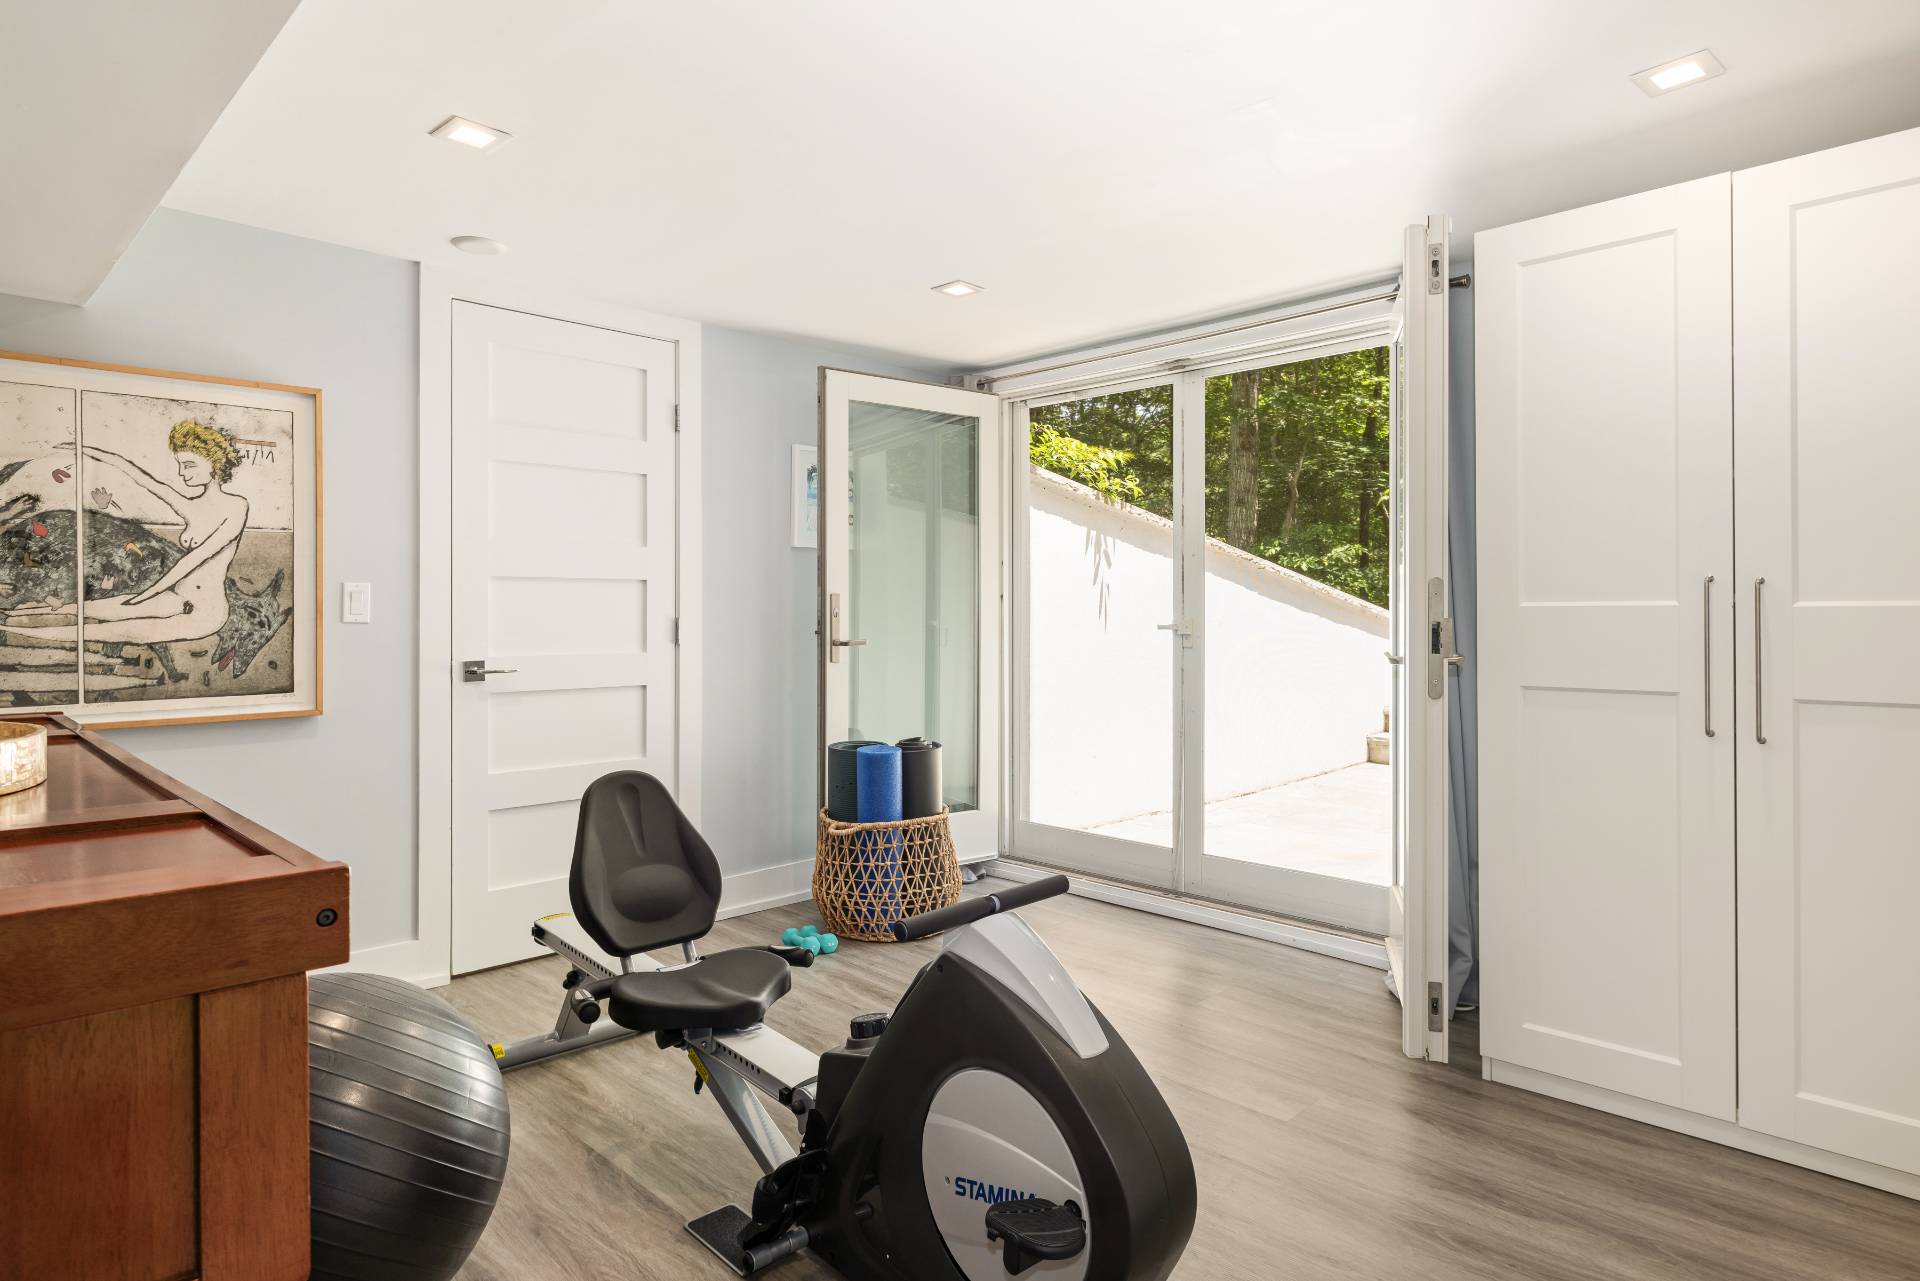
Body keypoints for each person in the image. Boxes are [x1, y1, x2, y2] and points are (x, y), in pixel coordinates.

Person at [3, 419, 247, 644]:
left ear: (214, 461)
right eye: (181, 465)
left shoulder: (237, 506)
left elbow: (195, 559)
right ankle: (11, 615)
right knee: (83, 608)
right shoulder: (191, 506)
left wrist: (145, 596)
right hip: (176, 598)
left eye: (189, 465)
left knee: (107, 632)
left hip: (206, 612)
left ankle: (12, 630)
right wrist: (88, 451)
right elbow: (139, 476)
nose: (183, 473)